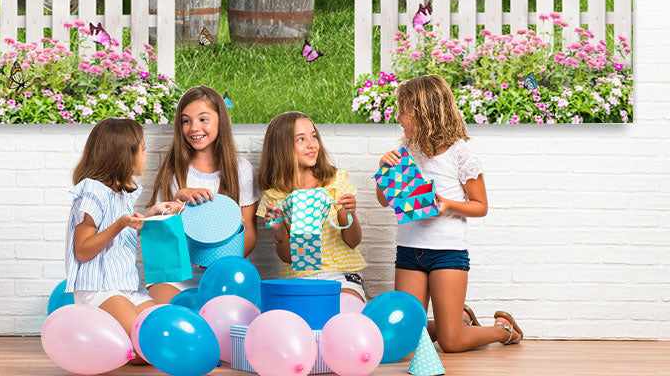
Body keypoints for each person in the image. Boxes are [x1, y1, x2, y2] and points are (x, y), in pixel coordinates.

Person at [377, 74, 523, 352]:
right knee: (406, 335)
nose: (398, 118)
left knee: (450, 342)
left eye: (403, 112)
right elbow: (385, 201)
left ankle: (503, 331)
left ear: (423, 114)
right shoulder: (406, 149)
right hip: (409, 251)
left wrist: (447, 204)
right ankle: (460, 320)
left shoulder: (460, 154)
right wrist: (384, 168)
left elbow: (480, 206)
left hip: (447, 253)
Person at [65, 117, 183, 361]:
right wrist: (120, 224)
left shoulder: (123, 193)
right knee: (144, 349)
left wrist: (151, 215)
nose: (146, 154)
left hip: (128, 287)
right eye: (142, 148)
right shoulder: (93, 191)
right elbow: (83, 251)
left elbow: (121, 236)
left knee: (164, 336)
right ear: (123, 154)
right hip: (100, 288)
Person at [147, 85, 260, 302]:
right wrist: (176, 204)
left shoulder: (240, 169)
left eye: (203, 119)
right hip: (176, 273)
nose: (193, 128)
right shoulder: (174, 169)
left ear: (220, 120)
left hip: (223, 271)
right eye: (186, 120)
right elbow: (160, 237)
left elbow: (249, 234)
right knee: (164, 312)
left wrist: (217, 263)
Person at [257, 111, 367, 302]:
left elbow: (353, 241)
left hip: (341, 276)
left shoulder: (335, 181)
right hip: (299, 278)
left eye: (313, 136)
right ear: (282, 148)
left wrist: (349, 213)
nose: (311, 144)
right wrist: (278, 232)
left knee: (344, 313)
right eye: (301, 139)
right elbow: (288, 258)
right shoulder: (275, 196)